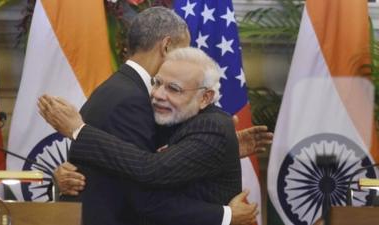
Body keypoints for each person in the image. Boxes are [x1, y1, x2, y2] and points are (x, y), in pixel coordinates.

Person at [41, 7, 270, 225]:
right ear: (167, 47)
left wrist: (213, 150)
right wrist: (226, 214)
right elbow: (145, 179)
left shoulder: (123, 89)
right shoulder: (131, 98)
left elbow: (141, 162)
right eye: (159, 84)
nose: (159, 94)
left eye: (173, 88)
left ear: (205, 97)